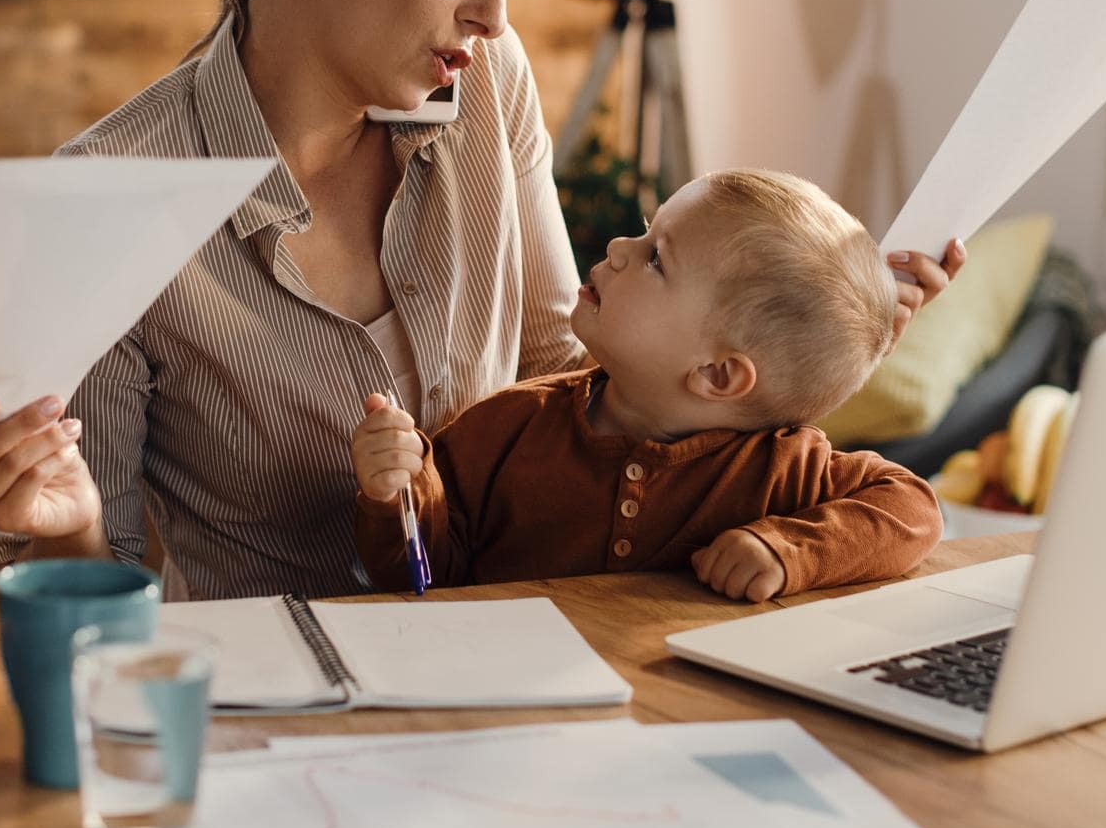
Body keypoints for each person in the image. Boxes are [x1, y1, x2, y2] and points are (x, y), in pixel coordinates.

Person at [0, 0, 965, 600]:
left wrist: (810, 330)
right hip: (283, 699)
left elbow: (570, 369)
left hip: (529, 666)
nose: (490, 17)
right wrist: (54, 524)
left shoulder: (485, 83)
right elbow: (91, 571)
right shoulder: (105, 196)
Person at [349, 169, 942, 602]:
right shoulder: (504, 427)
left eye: (656, 256)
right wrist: (400, 491)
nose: (617, 247)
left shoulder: (784, 467)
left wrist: (787, 552)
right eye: (643, 231)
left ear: (718, 374)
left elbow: (913, 509)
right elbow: (422, 581)